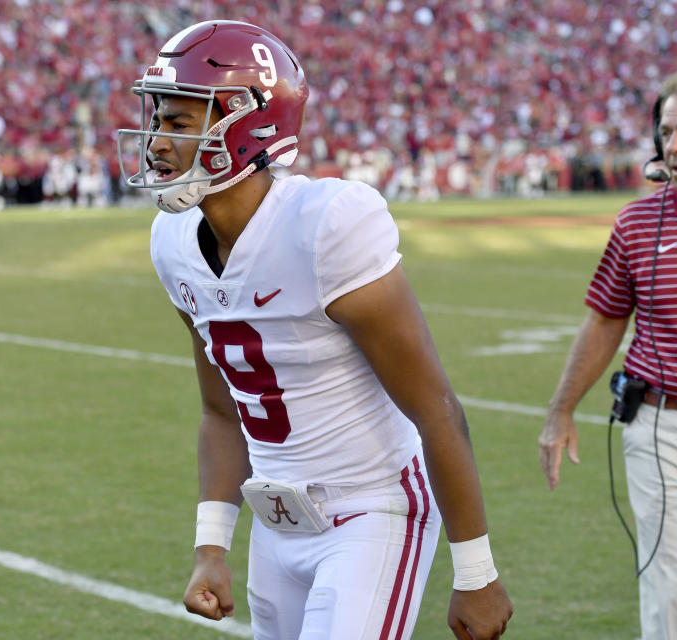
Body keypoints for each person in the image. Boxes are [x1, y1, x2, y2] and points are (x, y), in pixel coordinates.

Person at [117, 20, 512, 640]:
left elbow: (436, 409)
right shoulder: (173, 243)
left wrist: (476, 571)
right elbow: (223, 412)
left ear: (247, 124)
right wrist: (212, 546)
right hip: (278, 519)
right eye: (158, 119)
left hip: (372, 506)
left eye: (178, 122)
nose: (155, 142)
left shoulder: (325, 224)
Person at [538, 71, 677, 640]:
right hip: (661, 428)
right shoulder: (637, 221)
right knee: (669, 599)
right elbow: (605, 320)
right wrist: (560, 411)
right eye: (666, 133)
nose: (673, 146)